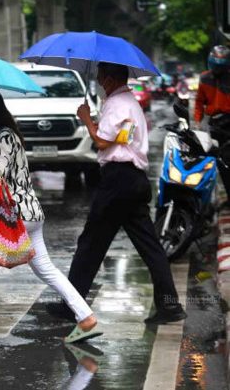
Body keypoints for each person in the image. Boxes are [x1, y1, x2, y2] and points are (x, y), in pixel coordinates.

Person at [0, 85, 99, 345]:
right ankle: (86, 317)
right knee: (46, 269)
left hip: (14, 215)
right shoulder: (5, 136)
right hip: (30, 213)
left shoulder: (5, 137)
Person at [49, 62, 186, 324]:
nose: (99, 81)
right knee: (151, 248)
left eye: (101, 76)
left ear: (111, 79)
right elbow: (120, 138)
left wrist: (86, 119)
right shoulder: (131, 103)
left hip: (117, 180)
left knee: (90, 245)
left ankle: (71, 307)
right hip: (133, 180)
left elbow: (101, 142)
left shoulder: (115, 104)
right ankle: (170, 306)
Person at [194, 45, 230, 195]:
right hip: (213, 124)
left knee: (226, 163)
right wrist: (197, 123)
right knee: (207, 160)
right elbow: (198, 103)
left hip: (228, 123)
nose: (218, 70)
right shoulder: (204, 78)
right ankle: (207, 196)